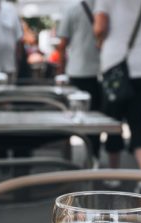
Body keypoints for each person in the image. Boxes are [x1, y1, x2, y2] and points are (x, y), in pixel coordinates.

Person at [94, 0, 141, 192]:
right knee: (138, 120)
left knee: (113, 121)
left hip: (115, 65)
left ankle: (114, 175)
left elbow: (99, 27)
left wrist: (100, 37)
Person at [56, 0, 101, 161]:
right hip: (100, 72)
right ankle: (93, 156)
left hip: (76, 71)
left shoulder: (71, 9)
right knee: (96, 120)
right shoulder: (104, 7)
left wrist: (60, 71)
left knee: (70, 118)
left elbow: (62, 44)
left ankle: (67, 158)